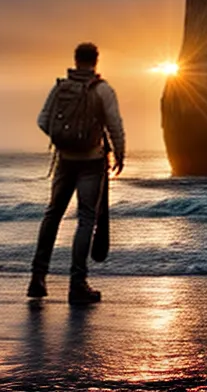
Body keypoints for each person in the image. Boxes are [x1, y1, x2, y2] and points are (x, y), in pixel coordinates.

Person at [29, 42, 125, 305]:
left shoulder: (60, 87)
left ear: (75, 59)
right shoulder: (103, 90)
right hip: (92, 162)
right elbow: (115, 123)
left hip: (64, 160)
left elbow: (42, 120)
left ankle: (37, 278)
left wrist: (63, 140)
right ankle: (77, 284)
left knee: (52, 215)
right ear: (96, 60)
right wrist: (120, 153)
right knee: (85, 219)